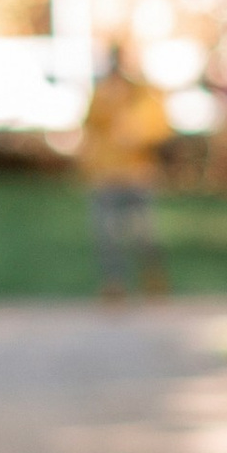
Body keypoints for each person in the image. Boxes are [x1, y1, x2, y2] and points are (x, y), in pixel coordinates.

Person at [77, 42, 172, 301]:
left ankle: (152, 279)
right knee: (106, 235)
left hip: (136, 173)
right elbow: (90, 126)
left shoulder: (144, 95)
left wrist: (136, 131)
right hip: (106, 174)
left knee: (144, 234)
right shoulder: (102, 93)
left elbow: (160, 127)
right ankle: (114, 283)